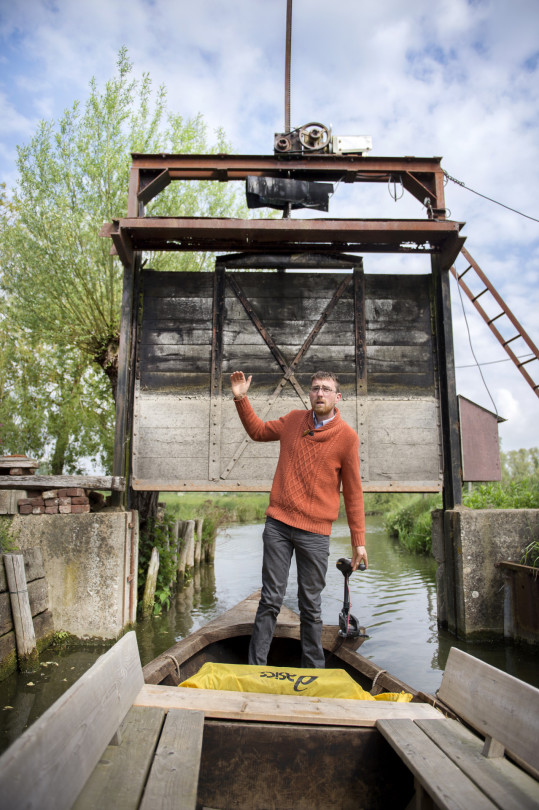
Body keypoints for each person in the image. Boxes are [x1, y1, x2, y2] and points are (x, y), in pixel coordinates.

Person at [230, 369, 366, 668]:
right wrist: (241, 399)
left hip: (315, 534)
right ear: (309, 394)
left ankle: (313, 673)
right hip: (278, 526)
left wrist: (359, 542)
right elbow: (257, 431)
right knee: (270, 600)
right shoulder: (293, 420)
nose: (320, 393)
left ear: (337, 396)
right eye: (315, 388)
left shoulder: (347, 439)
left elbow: (354, 493)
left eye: (326, 389)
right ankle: (256, 669)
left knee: (310, 606)